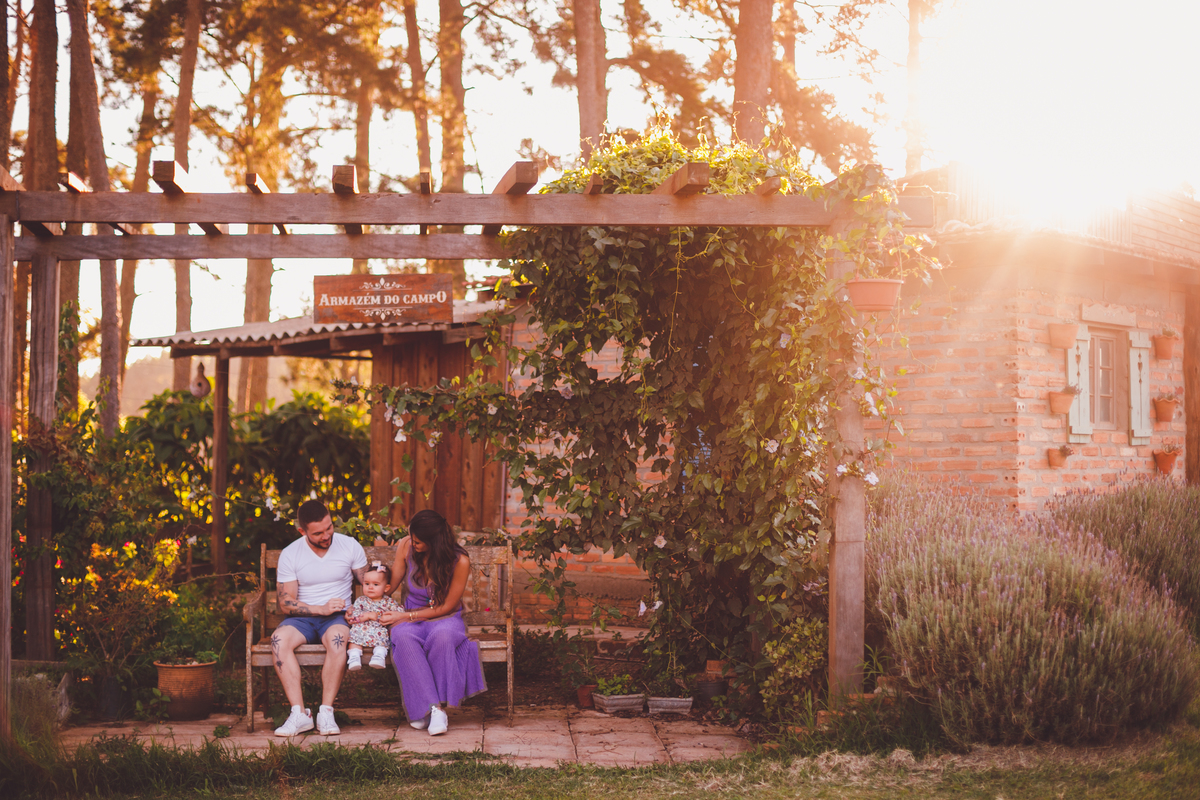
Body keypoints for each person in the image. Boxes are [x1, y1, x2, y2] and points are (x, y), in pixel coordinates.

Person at [380, 509, 487, 736]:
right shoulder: (406, 546)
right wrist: (369, 600)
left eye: (418, 541)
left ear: (433, 541)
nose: (413, 543)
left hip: (445, 618)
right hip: (410, 618)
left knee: (443, 637)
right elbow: (390, 586)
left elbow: (447, 606)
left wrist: (404, 617)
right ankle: (434, 709)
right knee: (401, 637)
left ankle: (427, 709)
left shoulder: (460, 561)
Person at [271, 499, 367, 737]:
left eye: (329, 527)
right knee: (278, 641)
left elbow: (370, 584)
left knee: (338, 639)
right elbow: (286, 602)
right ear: (302, 531)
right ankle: (299, 714)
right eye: (318, 533)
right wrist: (319, 608)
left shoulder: (349, 546)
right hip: (303, 618)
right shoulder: (291, 553)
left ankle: (326, 712)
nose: (326, 536)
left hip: (336, 618)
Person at [343, 562, 401, 670]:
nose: (370, 587)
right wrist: (366, 616)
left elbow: (399, 613)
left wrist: (388, 617)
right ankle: (354, 658)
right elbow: (353, 618)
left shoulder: (388, 602)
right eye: (367, 584)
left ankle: (379, 657)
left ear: (386, 588)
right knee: (353, 639)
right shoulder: (360, 601)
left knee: (383, 639)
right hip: (360, 630)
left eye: (375, 584)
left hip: (378, 631)